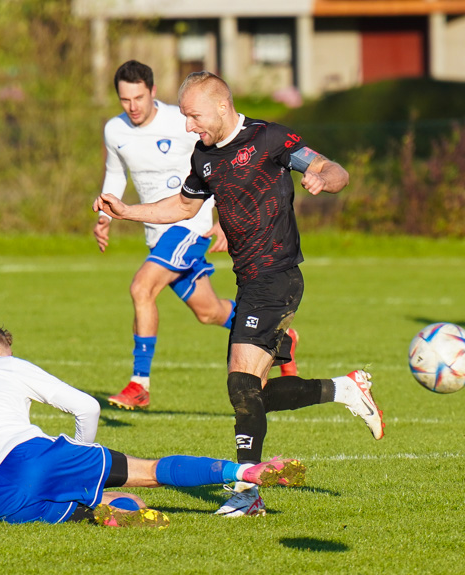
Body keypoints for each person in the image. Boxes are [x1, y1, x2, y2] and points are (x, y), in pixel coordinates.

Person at [93, 71, 385, 518]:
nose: (189, 125)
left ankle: (248, 494)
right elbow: (186, 205)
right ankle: (343, 389)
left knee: (239, 382)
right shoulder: (205, 157)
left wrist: (325, 178)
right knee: (253, 395)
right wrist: (128, 210)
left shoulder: (270, 139)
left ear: (222, 107)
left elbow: (332, 168)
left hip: (279, 277)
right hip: (249, 282)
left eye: (193, 116)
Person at [0, 322, 305, 527]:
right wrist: (86, 457)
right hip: (30, 457)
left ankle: (115, 510)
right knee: (150, 472)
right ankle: (244, 470)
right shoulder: (5, 363)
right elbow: (86, 408)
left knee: (98, 507)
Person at [94, 60, 300, 411]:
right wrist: (105, 214)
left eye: (139, 97)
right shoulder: (114, 130)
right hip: (157, 233)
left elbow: (233, 148)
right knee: (209, 312)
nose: (133, 106)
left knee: (142, 288)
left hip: (190, 225)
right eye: (125, 99)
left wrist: (223, 219)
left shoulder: (183, 119)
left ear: (153, 92)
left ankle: (138, 384)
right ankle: (281, 338)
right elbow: (116, 174)